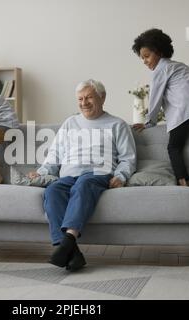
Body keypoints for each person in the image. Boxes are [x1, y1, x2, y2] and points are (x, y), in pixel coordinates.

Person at [29, 79, 136, 271]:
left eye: (89, 97)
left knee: (83, 184)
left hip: (98, 173)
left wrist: (121, 176)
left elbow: (128, 158)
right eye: (80, 98)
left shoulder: (117, 124)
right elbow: (55, 153)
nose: (84, 102)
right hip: (68, 175)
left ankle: (68, 239)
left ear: (102, 98)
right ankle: (72, 253)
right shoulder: (70, 123)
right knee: (52, 191)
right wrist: (42, 172)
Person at [131, 28, 189, 186]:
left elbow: (155, 99)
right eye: (142, 58)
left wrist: (150, 122)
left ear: (159, 52)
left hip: (187, 105)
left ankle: (183, 183)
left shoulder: (159, 71)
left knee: (173, 147)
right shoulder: (178, 65)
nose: (145, 61)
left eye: (147, 56)